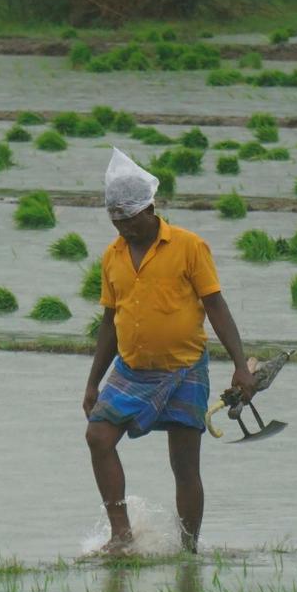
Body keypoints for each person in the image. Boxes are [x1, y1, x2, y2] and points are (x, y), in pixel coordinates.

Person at [83, 147, 255, 554]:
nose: (123, 228)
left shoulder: (189, 246)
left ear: (149, 208)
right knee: (98, 437)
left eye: (128, 220)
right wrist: (92, 382)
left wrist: (240, 366)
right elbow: (110, 322)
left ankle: (188, 549)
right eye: (115, 221)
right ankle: (121, 534)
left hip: (185, 369)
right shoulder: (112, 256)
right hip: (132, 368)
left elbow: (216, 305)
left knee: (184, 465)